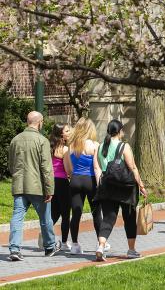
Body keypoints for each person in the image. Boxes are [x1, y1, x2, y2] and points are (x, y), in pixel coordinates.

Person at [7, 111, 60, 261]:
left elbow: (11, 165)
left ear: (27, 122)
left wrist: (16, 176)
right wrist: (50, 189)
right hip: (38, 186)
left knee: (17, 217)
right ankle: (49, 247)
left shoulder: (15, 140)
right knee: (45, 218)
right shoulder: (42, 140)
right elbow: (46, 168)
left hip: (19, 185)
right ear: (40, 122)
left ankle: (14, 249)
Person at [94, 120, 147, 261]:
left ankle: (101, 246)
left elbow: (99, 167)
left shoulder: (100, 147)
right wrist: (141, 186)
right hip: (125, 188)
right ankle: (131, 250)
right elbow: (133, 167)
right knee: (129, 218)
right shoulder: (124, 146)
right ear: (120, 131)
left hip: (107, 187)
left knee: (108, 218)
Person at [67, 117, 102, 255]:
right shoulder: (95, 145)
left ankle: (75, 244)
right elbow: (96, 167)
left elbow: (69, 168)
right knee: (96, 213)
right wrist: (100, 185)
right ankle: (101, 243)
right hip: (90, 181)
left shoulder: (72, 145)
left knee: (76, 213)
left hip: (75, 180)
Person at [50, 123, 72, 250]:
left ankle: (45, 236)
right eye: (67, 131)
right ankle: (64, 243)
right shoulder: (64, 149)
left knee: (53, 212)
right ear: (61, 134)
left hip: (51, 182)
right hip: (62, 182)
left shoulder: (49, 147)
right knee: (65, 214)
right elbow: (68, 169)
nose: (69, 133)